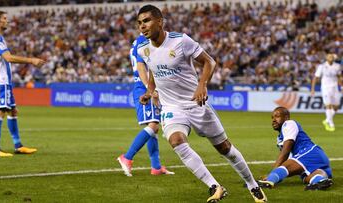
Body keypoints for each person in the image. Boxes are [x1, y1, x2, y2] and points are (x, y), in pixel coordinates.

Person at [136, 5, 267, 203]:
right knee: (176, 141)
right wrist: (149, 91)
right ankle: (215, 187)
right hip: (172, 107)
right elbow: (154, 70)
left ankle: (252, 185)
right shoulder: (143, 49)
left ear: (160, 21)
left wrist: (202, 85)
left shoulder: (180, 40)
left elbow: (209, 62)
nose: (142, 26)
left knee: (224, 148)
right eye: (139, 23)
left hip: (196, 103)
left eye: (146, 21)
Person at [0, 11, 46, 157]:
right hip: (1, 82)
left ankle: (18, 146)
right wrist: (31, 60)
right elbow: (8, 58)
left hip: (3, 82)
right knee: (0, 112)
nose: (7, 21)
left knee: (13, 111)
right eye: (4, 19)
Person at [117, 34, 174, 176]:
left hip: (146, 86)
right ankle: (127, 157)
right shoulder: (145, 41)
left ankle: (156, 167)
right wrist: (150, 89)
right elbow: (142, 67)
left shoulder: (139, 40)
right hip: (144, 88)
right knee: (153, 125)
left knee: (154, 128)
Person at [258, 107, 333, 190]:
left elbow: (285, 151)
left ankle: (268, 182)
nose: (274, 120)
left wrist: (271, 175)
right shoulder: (280, 138)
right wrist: (281, 172)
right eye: (272, 117)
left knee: (284, 167)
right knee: (306, 177)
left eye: (277, 116)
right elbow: (290, 160)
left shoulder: (289, 123)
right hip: (318, 157)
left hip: (309, 152)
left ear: (286, 117)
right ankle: (320, 180)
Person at [311, 53, 342, 132]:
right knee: (328, 105)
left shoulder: (337, 66)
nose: (330, 57)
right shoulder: (322, 66)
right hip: (325, 88)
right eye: (329, 56)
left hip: (335, 88)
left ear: (333, 58)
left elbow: (339, 77)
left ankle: (327, 119)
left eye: (331, 56)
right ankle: (331, 124)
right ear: (326, 58)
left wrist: (341, 86)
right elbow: (316, 78)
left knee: (336, 107)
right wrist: (312, 89)